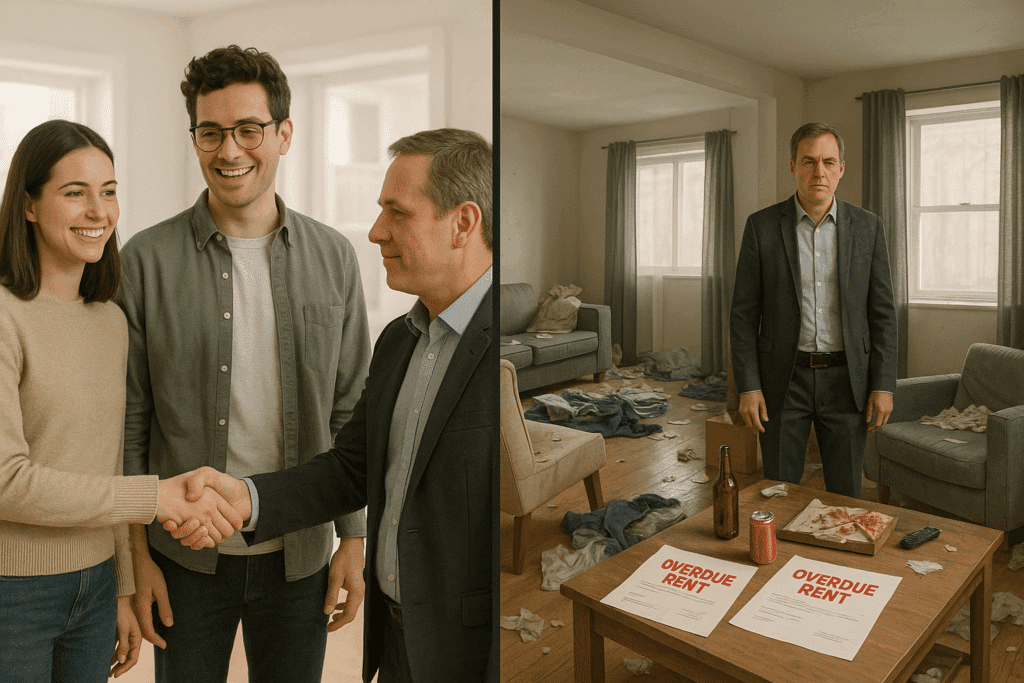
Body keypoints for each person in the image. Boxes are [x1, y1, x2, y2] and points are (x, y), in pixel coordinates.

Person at [172, 127, 495, 683]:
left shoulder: (497, 349)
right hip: (397, 642)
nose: (375, 233)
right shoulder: (401, 339)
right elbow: (351, 467)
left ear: (463, 222)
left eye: (397, 213)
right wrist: (245, 497)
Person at [114, 46, 371, 682]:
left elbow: (352, 411)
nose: (230, 151)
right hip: (181, 559)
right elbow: (129, 424)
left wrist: (354, 538)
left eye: (249, 129)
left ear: (283, 134)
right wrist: (135, 559)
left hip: (302, 552)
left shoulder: (334, 258)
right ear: (194, 138)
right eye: (211, 132)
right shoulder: (144, 262)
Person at [0, 120, 243, 682]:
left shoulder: (109, 321)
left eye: (108, 192)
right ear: (29, 205)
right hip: (13, 595)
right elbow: (8, 481)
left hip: (96, 584)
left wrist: (123, 587)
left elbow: (106, 459)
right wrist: (155, 496)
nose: (99, 212)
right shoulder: (8, 318)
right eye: (74, 193)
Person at [730, 122, 898, 498]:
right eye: (808, 161)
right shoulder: (762, 227)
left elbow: (883, 313)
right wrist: (749, 386)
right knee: (779, 492)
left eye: (828, 162)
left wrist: (883, 384)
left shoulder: (868, 227)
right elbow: (743, 315)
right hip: (782, 382)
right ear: (792, 166)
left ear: (841, 169)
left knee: (845, 496)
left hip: (848, 381)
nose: (818, 172)